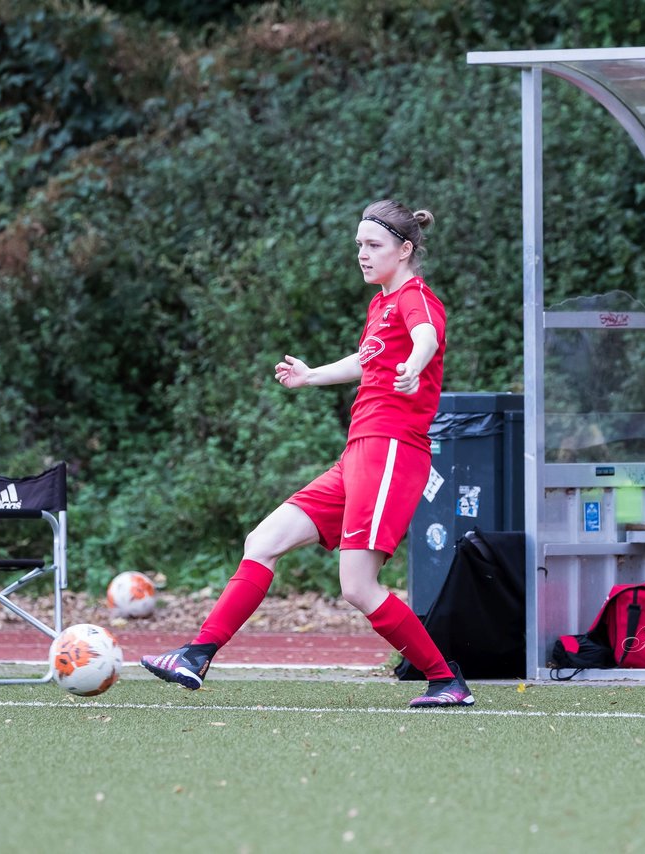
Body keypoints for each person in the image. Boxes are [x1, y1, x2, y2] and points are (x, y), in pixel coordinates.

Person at [141, 199, 474, 707]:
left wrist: (417, 363)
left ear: (405, 250)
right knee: (264, 540)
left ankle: (444, 681)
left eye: (373, 245)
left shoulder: (414, 297)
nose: (362, 254)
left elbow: (427, 335)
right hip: (358, 453)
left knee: (358, 587)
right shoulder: (381, 303)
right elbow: (369, 362)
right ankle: (197, 654)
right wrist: (312, 375)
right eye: (359, 244)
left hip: (391, 452)